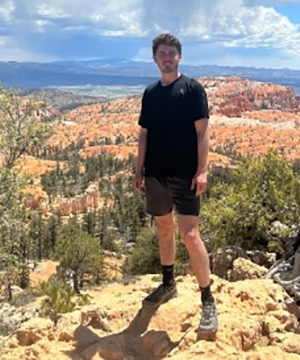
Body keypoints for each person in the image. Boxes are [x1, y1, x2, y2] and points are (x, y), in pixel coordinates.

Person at [133, 33, 217, 334]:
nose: (166, 58)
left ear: (179, 56)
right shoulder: (150, 93)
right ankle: (168, 284)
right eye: (161, 54)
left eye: (171, 53)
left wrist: (202, 170)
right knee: (164, 228)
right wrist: (139, 169)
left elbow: (202, 133)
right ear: (155, 59)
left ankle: (207, 299)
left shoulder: (192, 89)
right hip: (155, 173)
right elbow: (144, 134)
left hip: (185, 174)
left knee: (190, 234)